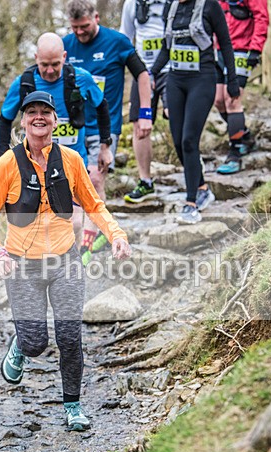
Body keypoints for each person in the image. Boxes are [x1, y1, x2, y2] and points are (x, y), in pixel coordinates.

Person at [0, 91, 132, 432]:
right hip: (21, 265)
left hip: (66, 260)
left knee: (69, 336)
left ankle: (73, 406)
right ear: (23, 121)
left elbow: (93, 204)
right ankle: (21, 343)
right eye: (31, 112)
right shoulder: (7, 164)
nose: (39, 117)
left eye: (45, 112)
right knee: (36, 342)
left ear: (55, 120)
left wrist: (117, 234)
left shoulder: (72, 159)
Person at [0, 32, 113, 263]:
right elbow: (4, 120)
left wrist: (105, 146)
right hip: (34, 167)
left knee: (76, 221)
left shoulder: (81, 78)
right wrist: (4, 161)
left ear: (65, 57)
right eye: (44, 65)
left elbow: (102, 107)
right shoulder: (24, 83)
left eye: (55, 65)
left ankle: (73, 266)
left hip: (71, 164)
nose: (50, 71)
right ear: (35, 58)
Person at [63, 0, 152, 258]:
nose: (80, 33)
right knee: (75, 186)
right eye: (75, 28)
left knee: (94, 179)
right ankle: (97, 229)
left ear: (97, 18)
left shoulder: (118, 42)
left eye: (85, 26)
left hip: (105, 125)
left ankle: (86, 246)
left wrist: (144, 112)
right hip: (74, 129)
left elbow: (142, 74)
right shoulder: (65, 45)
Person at [151, 0, 239, 224]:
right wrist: (150, 73)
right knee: (179, 142)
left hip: (202, 79)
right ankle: (201, 188)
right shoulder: (170, 8)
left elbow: (226, 44)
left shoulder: (210, 6)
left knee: (190, 140)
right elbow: (166, 48)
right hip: (176, 80)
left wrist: (232, 80)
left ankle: (191, 204)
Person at [120, 0, 170, 203]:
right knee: (140, 127)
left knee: (176, 118)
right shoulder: (132, 4)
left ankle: (193, 174)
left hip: (171, 69)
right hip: (141, 71)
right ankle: (145, 181)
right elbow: (125, 37)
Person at [214, 0, 268, 175]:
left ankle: (234, 154)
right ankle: (244, 136)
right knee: (219, 101)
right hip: (218, 50)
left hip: (241, 49)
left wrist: (255, 49)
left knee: (232, 100)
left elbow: (262, 17)